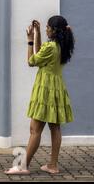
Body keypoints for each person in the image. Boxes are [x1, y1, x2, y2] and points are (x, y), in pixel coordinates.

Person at [5, 15, 75, 175]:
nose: (46, 29)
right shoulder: (61, 45)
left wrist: (30, 40)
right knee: (55, 128)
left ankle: (22, 167)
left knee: (34, 129)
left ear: (54, 30)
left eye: (48, 28)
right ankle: (53, 165)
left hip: (45, 89)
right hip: (57, 88)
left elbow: (32, 60)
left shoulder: (50, 47)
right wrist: (37, 34)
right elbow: (41, 54)